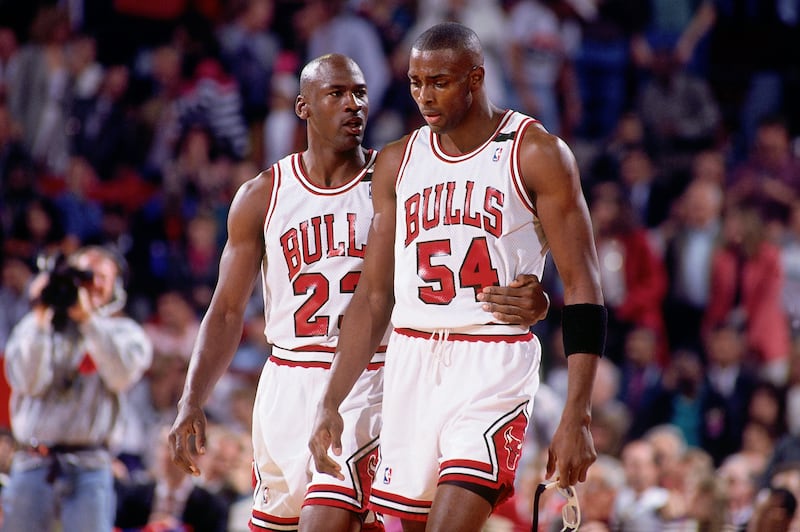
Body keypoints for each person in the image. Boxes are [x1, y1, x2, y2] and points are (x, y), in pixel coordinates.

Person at [168, 53, 550, 532]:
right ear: (303, 107)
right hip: (286, 379)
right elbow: (225, 312)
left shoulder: (399, 177)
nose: (354, 105)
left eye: (361, 93)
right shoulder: (263, 194)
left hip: (370, 378)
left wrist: (534, 296)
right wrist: (192, 397)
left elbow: (468, 242)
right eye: (337, 94)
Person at [309, 22, 605, 532]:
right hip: (411, 360)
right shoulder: (397, 161)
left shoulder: (535, 152)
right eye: (415, 82)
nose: (425, 96)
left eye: (440, 82)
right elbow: (375, 295)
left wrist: (578, 411)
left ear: (476, 77)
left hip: (492, 361)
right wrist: (331, 398)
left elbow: (584, 285)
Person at [1, 245, 153, 531]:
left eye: (101, 277)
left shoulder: (125, 332)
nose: (90, 284)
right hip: (33, 461)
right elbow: (26, 382)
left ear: (115, 287)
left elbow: (120, 375)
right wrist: (41, 314)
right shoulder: (35, 325)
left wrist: (87, 320)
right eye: (83, 274)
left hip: (91, 465)